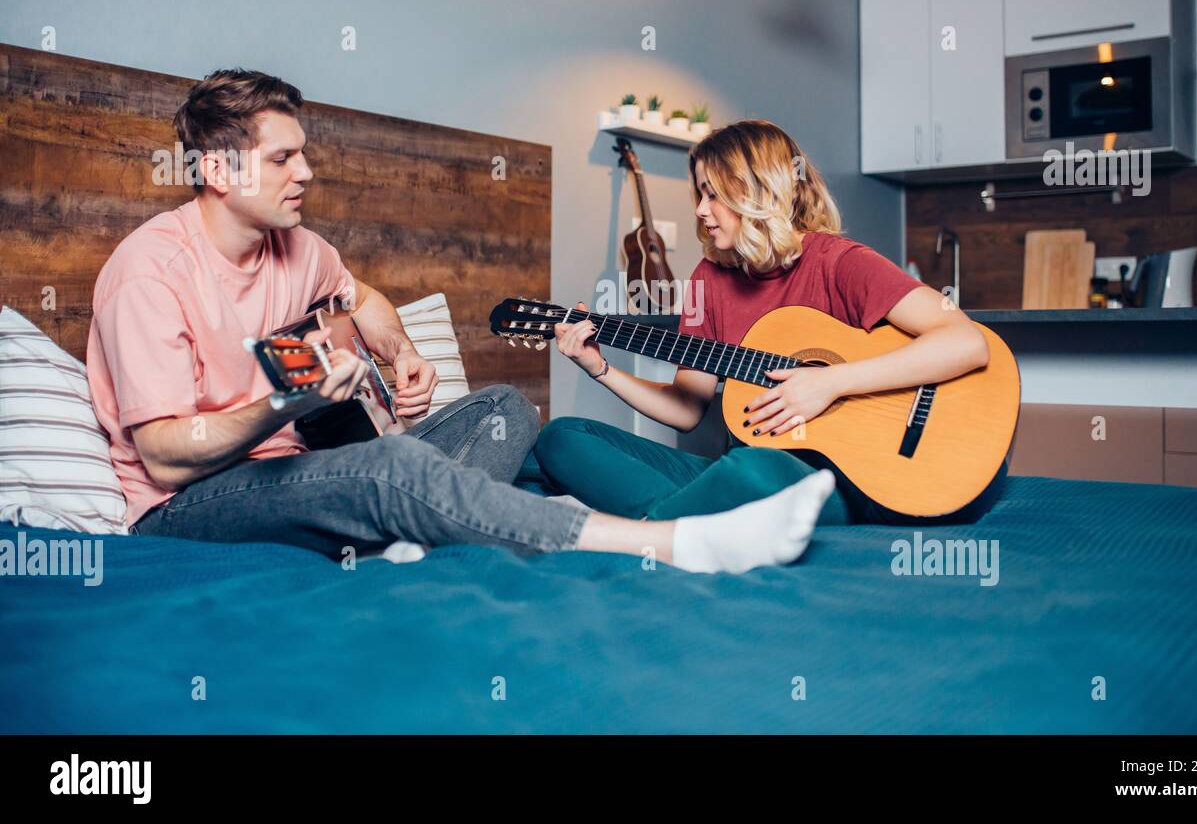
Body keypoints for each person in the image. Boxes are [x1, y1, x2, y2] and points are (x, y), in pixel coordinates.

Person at [85, 71, 835, 575]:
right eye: (284, 159)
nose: (306, 173)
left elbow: (365, 301)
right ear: (218, 172)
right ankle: (667, 543)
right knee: (389, 466)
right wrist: (289, 403)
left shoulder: (299, 249)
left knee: (509, 411)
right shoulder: (149, 271)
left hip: (305, 472)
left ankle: (410, 535)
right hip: (190, 507)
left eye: (304, 155)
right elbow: (165, 459)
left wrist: (401, 354)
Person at [534, 119, 1004, 526]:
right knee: (561, 437)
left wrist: (831, 383)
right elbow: (687, 406)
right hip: (742, 465)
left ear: (758, 192)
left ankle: (656, 527)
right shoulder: (708, 279)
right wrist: (600, 368)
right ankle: (682, 521)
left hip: (832, 476)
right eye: (700, 193)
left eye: (713, 194)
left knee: (754, 471)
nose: (699, 209)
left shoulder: (838, 263)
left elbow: (966, 342)